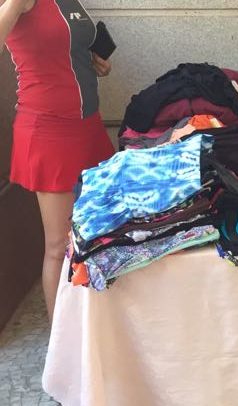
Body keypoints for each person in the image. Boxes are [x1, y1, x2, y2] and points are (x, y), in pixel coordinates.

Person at [1, 0, 115, 321]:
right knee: (59, 244)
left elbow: (60, 46)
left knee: (96, 230)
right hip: (49, 128)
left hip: (88, 125)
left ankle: (91, 323)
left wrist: (93, 62)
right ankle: (60, 336)